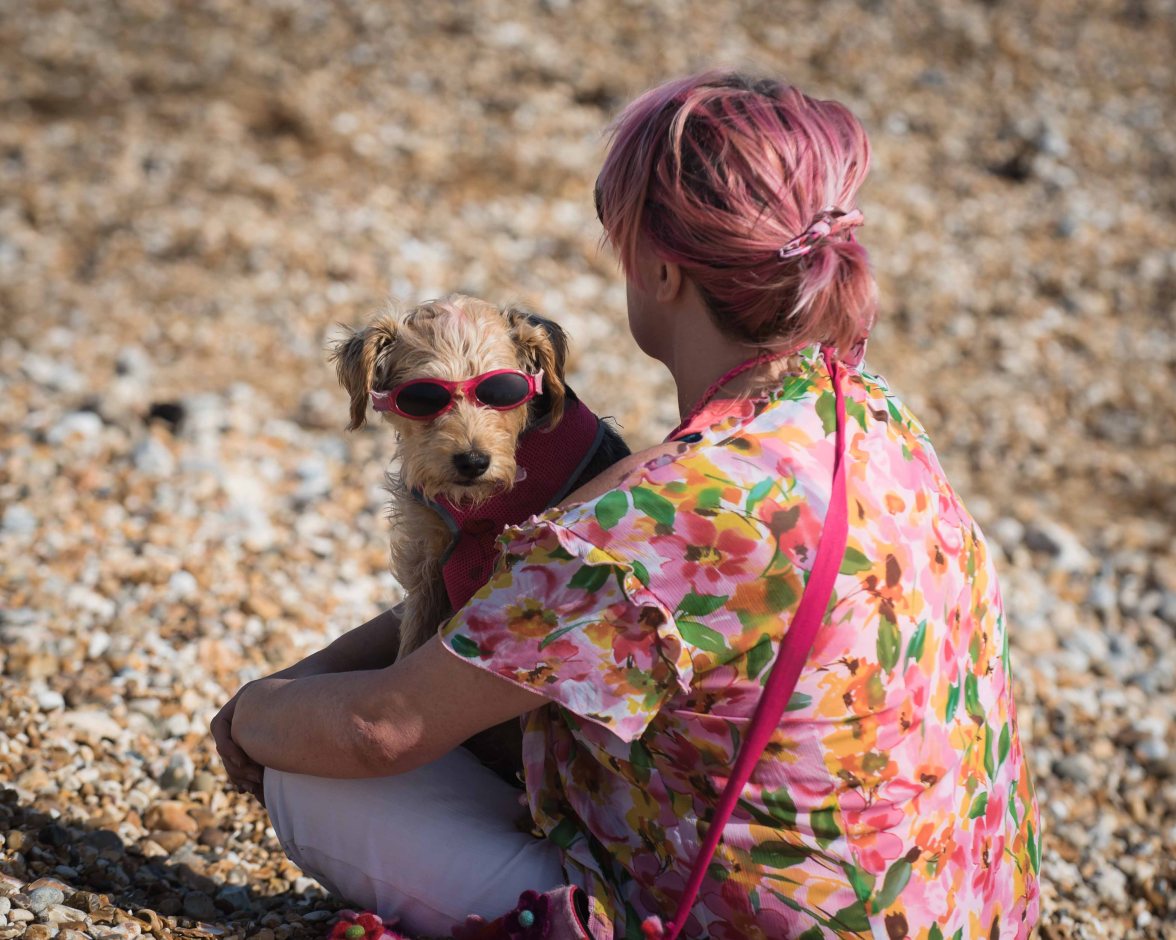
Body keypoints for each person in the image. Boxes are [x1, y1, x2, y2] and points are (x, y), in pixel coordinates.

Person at [213, 71, 1041, 939]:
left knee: (312, 772)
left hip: (713, 921)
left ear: (659, 267)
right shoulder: (865, 413)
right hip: (961, 911)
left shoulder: (652, 519)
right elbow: (510, 610)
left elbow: (382, 730)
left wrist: (254, 714)